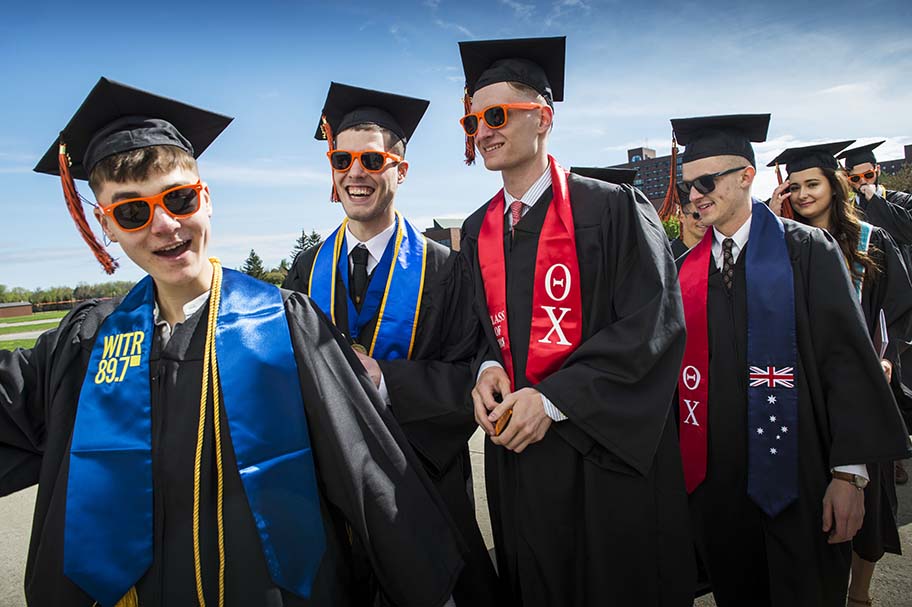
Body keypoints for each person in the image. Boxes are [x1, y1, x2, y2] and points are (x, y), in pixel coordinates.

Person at [0, 77, 465, 607]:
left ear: (206, 198)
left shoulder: (283, 325)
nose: (164, 225)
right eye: (132, 212)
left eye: (178, 198)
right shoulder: (82, 345)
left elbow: (369, 479)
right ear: (106, 225)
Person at [458, 36, 695, 606]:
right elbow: (477, 331)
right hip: (517, 456)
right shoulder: (477, 229)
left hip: (598, 454)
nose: (482, 131)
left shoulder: (612, 208)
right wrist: (486, 368)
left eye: (496, 115)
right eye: (472, 121)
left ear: (543, 118)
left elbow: (653, 325)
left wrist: (553, 399)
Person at [672, 114, 912, 606]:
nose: (695, 196)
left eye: (706, 182)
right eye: (686, 186)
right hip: (721, 490)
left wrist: (849, 476)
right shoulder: (683, 272)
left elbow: (846, 363)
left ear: (746, 176)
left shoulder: (805, 250)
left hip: (804, 476)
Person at [282, 82, 498, 606]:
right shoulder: (306, 270)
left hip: (423, 484)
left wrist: (386, 381)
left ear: (401, 170)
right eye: (342, 159)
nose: (355, 173)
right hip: (334, 497)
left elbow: (469, 376)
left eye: (373, 160)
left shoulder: (446, 269)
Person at [768, 141, 912, 606]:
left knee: (871, 497)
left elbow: (899, 307)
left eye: (812, 183)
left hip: (862, 382)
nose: (803, 194)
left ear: (834, 184)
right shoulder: (784, 243)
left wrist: (887, 358)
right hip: (806, 385)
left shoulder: (870, 239)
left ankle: (860, 594)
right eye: (795, 187)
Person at [839, 140, 912, 486]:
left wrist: (875, 200)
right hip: (871, 300)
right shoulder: (848, 211)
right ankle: (893, 455)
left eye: (867, 176)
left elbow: (905, 230)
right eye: (854, 179)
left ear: (877, 171)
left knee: (903, 374)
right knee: (885, 380)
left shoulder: (899, 201)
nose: (862, 183)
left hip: (903, 297)